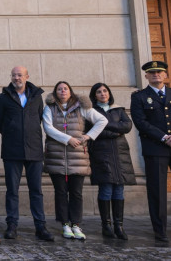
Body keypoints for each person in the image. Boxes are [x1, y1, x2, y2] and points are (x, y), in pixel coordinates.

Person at [130, 61, 171, 242]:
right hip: (156, 149)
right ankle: (160, 231)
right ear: (146, 76)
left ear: (165, 75)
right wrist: (165, 137)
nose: (156, 74)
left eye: (159, 72)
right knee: (157, 192)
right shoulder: (139, 97)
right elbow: (141, 122)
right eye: (152, 72)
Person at [43, 81, 107, 240]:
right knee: (61, 192)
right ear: (55, 92)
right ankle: (64, 224)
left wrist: (88, 136)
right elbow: (48, 128)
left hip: (78, 157)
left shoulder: (81, 108)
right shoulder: (49, 108)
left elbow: (102, 121)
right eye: (59, 89)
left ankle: (76, 224)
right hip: (56, 157)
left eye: (65, 88)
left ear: (70, 91)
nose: (62, 91)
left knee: (76, 193)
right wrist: (68, 139)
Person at [0, 66, 54, 241]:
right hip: (12, 150)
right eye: (13, 75)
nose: (16, 78)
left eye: (19, 75)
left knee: (36, 190)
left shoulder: (37, 97)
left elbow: (38, 119)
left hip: (34, 149)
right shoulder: (3, 98)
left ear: (27, 76)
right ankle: (12, 225)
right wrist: (11, 132)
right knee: (12, 190)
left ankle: (40, 226)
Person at [88, 83, 135, 240]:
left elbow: (127, 126)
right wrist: (115, 131)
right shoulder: (91, 111)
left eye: (105, 91)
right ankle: (106, 225)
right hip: (102, 153)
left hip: (120, 154)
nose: (103, 94)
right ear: (94, 95)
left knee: (119, 190)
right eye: (99, 92)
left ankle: (119, 226)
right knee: (106, 189)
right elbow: (92, 131)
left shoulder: (118, 109)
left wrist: (106, 125)